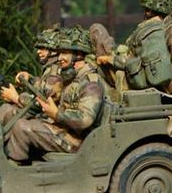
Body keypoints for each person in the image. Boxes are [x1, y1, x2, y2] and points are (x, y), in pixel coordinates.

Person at [6, 26, 105, 163]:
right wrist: (32, 81)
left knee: (22, 127)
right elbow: (53, 93)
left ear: (79, 55)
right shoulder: (73, 79)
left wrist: (57, 114)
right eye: (59, 53)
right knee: (20, 121)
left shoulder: (90, 84)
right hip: (65, 131)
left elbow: (85, 119)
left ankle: (14, 170)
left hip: (78, 141)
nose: (60, 58)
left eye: (64, 53)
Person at [97, 0, 172, 92]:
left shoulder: (150, 32)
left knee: (97, 31)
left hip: (138, 80)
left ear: (149, 12)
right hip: (138, 74)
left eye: (146, 9)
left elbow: (138, 61)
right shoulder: (165, 26)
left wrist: (111, 60)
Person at [0, 26, 62, 125]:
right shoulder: (50, 68)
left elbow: (43, 103)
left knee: (9, 113)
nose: (38, 51)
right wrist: (30, 78)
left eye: (43, 48)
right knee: (7, 109)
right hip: (44, 116)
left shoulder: (55, 72)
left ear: (54, 50)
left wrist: (16, 98)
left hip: (49, 120)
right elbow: (42, 88)